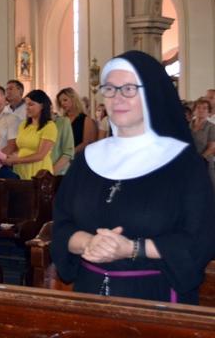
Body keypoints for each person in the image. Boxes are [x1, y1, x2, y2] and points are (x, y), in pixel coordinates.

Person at [52, 50, 215, 304]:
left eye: (128, 89)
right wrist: (89, 243)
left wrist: (131, 248)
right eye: (109, 89)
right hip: (88, 295)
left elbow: (199, 238)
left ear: (151, 93)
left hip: (155, 298)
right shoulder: (86, 160)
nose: (117, 98)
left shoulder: (184, 163)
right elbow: (62, 226)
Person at [5, 90, 57, 180]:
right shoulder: (23, 125)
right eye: (26, 105)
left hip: (38, 171)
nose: (27, 108)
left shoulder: (49, 126)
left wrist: (17, 160)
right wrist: (10, 157)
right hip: (20, 170)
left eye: (31, 105)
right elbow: (20, 148)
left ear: (42, 106)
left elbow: (41, 155)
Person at [57, 87, 98, 153]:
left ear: (73, 99)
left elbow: (87, 142)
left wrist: (69, 154)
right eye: (60, 102)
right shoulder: (61, 120)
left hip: (78, 155)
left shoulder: (85, 120)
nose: (62, 103)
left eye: (65, 100)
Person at [190, 97, 215, 189]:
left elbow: (212, 147)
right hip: (188, 162)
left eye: (205, 108)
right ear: (194, 110)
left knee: (209, 188)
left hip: (204, 162)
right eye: (198, 107)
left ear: (209, 112)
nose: (201, 110)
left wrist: (199, 159)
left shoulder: (211, 127)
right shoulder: (187, 125)